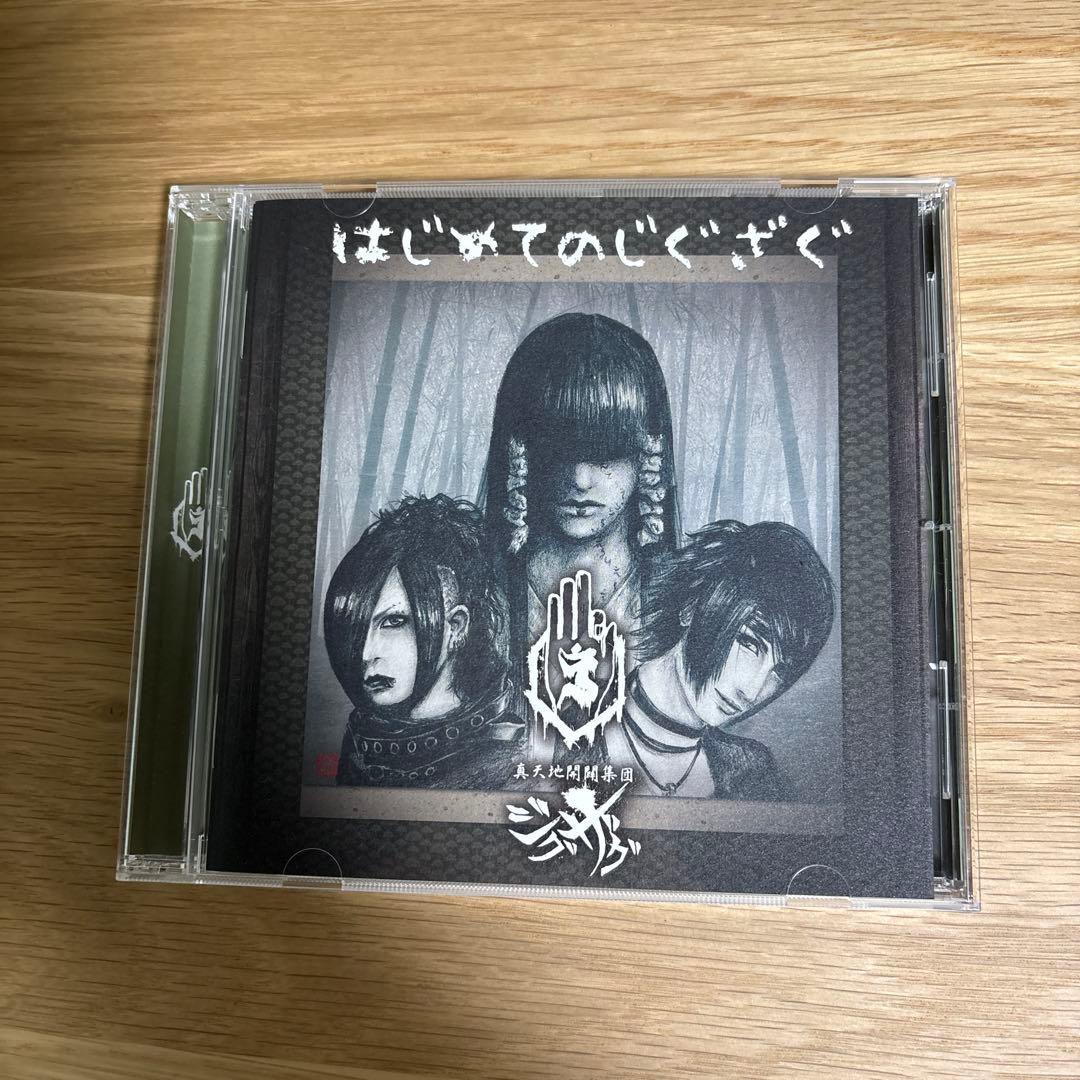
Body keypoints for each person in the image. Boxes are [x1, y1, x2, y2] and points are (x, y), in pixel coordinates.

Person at [604, 520, 835, 799]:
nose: (751, 692)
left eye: (779, 671)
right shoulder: (571, 733)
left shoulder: (754, 774)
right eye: (749, 643)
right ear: (691, 606)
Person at [324, 495, 523, 789]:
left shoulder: (509, 757)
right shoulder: (361, 741)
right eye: (355, 626)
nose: (365, 653)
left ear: (456, 627)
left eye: (394, 622)